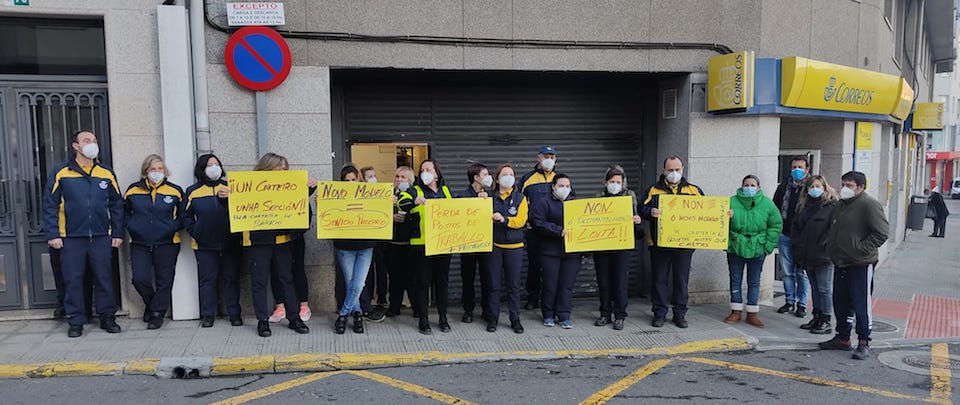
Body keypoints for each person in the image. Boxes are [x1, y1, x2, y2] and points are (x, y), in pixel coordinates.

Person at [43, 130, 124, 337]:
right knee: (73, 279)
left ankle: (107, 317)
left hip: (100, 236)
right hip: (71, 238)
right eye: (87, 140)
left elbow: (116, 204)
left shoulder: (106, 173)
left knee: (104, 278)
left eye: (95, 140)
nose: (92, 144)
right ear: (76, 146)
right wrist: (53, 234)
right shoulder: (61, 172)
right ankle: (76, 320)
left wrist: (117, 232)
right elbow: (50, 205)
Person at [819, 171, 888, 360]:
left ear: (860, 187)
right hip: (841, 261)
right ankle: (842, 337)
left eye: (849, 185)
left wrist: (860, 249)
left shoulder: (869, 205)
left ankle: (864, 341)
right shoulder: (840, 205)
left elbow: (881, 233)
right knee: (840, 301)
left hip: (860, 262)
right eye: (843, 184)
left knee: (860, 302)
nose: (844, 188)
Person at [239, 153, 309, 337]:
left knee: (286, 279)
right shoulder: (249, 186)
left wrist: (309, 188)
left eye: (285, 169)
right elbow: (236, 209)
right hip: (258, 242)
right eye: (278, 169)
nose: (282, 172)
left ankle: (294, 318)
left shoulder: (289, 187)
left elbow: (299, 206)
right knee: (259, 282)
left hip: (282, 241)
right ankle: (262, 321)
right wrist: (225, 198)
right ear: (265, 169)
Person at [640, 156, 704, 328]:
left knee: (681, 280)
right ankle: (659, 314)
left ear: (682, 169)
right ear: (664, 171)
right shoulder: (653, 190)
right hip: (659, 244)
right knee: (659, 280)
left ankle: (680, 314)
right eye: (670, 170)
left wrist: (724, 214)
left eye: (677, 169)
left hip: (684, 245)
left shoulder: (693, 190)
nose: (673, 173)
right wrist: (650, 211)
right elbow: (640, 208)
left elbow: (708, 212)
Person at [123, 154, 184, 330]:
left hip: (167, 242)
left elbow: (183, 216)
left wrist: (172, 227)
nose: (157, 172)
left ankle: (157, 314)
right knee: (139, 278)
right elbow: (124, 213)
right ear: (145, 172)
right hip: (140, 243)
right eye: (153, 169)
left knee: (165, 280)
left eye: (160, 169)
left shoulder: (175, 191)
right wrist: (132, 226)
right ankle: (152, 304)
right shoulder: (133, 190)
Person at [183, 153, 244, 328]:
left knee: (231, 279)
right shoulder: (192, 191)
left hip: (230, 242)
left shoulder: (229, 187)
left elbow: (242, 209)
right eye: (209, 165)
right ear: (202, 169)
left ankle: (234, 313)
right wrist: (195, 230)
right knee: (207, 280)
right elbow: (184, 215)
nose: (214, 167)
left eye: (216, 164)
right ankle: (208, 315)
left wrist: (230, 199)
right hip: (204, 244)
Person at [398, 159, 454, 334]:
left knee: (442, 283)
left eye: (428, 169)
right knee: (423, 283)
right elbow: (402, 203)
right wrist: (415, 201)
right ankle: (424, 319)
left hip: (443, 245)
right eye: (422, 170)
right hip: (421, 245)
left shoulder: (445, 190)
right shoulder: (414, 191)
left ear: (436, 173)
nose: (425, 172)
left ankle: (443, 318)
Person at [724, 175, 782, 328]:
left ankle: (752, 313)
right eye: (746, 184)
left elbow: (775, 225)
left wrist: (767, 246)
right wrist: (728, 243)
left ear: (758, 187)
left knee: (754, 281)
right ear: (741, 186)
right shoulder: (730, 202)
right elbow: (719, 224)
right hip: (736, 246)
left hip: (758, 247)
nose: (749, 187)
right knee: (735, 279)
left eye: (752, 185)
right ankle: (736, 310)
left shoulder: (768, 204)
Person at [592, 166, 642, 331]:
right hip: (603, 245)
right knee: (604, 281)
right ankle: (605, 313)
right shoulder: (598, 196)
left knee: (620, 281)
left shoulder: (630, 195)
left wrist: (637, 220)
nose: (615, 184)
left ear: (623, 183)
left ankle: (620, 315)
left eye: (618, 182)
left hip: (622, 245)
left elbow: (635, 214)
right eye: (612, 181)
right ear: (605, 182)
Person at [332, 165, 378, 334]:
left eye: (353, 179)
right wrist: (321, 203)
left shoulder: (370, 195)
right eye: (347, 180)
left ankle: (343, 314)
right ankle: (357, 314)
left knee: (358, 284)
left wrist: (389, 202)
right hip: (345, 247)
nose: (351, 183)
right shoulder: (335, 197)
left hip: (365, 246)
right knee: (350, 282)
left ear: (359, 179)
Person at [529, 173, 579, 329]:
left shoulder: (575, 204)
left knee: (566, 285)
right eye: (561, 186)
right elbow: (537, 222)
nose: (565, 189)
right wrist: (557, 230)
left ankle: (564, 315)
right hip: (549, 251)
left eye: (567, 186)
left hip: (571, 252)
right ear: (553, 187)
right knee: (550, 284)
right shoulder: (544, 203)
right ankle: (548, 314)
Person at [792, 175, 838, 335]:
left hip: (824, 255)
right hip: (807, 254)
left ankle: (826, 320)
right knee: (815, 288)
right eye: (812, 187)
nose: (815, 189)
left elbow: (834, 230)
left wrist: (826, 246)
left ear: (825, 188)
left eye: (818, 186)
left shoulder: (832, 207)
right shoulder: (804, 206)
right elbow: (797, 228)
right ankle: (817, 317)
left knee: (825, 288)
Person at [268, 177, 317, 324]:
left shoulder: (292, 186)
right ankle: (280, 306)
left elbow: (305, 213)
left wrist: (308, 189)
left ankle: (303, 305)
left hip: (294, 238)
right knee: (275, 272)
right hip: (273, 239)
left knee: (298, 270)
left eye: (283, 169)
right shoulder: (264, 189)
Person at [486, 164, 528, 333]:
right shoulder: (489, 197)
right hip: (495, 247)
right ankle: (492, 318)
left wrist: (504, 219)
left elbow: (521, 221)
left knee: (513, 286)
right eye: (504, 174)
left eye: (511, 174)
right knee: (493, 285)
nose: (508, 177)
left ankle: (515, 319)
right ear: (497, 179)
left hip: (515, 248)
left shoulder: (520, 198)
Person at [518, 145, 560, 310]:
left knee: (552, 265)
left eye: (551, 156)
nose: (548, 159)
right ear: (538, 158)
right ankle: (533, 297)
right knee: (534, 265)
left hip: (554, 231)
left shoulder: (559, 179)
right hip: (533, 230)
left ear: (555, 159)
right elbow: (519, 201)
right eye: (545, 156)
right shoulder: (528, 178)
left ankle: (550, 299)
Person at [772, 156, 812, 318]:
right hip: (785, 235)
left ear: (807, 169)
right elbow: (775, 208)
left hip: (804, 239)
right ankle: (789, 301)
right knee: (787, 272)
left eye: (800, 167)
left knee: (801, 273)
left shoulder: (812, 187)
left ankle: (802, 304)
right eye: (794, 167)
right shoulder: (783, 187)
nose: (797, 170)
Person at [458, 163, 492, 324]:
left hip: (487, 243)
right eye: (485, 174)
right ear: (476, 177)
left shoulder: (491, 195)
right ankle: (468, 310)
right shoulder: (463, 195)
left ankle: (487, 309)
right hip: (468, 244)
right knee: (468, 278)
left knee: (487, 278)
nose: (488, 177)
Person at [385, 166, 416, 318]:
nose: (399, 179)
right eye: (397, 176)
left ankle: (416, 308)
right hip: (393, 245)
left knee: (413, 279)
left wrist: (406, 219)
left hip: (410, 245)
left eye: (403, 177)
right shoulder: (390, 194)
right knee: (395, 278)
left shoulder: (415, 194)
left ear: (410, 179)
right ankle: (394, 307)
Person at [360, 166, 389, 308]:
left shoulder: (382, 193)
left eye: (374, 175)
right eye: (369, 176)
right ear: (363, 179)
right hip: (366, 237)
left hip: (380, 237)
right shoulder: (360, 195)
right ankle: (369, 298)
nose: (373, 178)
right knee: (368, 270)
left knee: (381, 268)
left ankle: (382, 297)